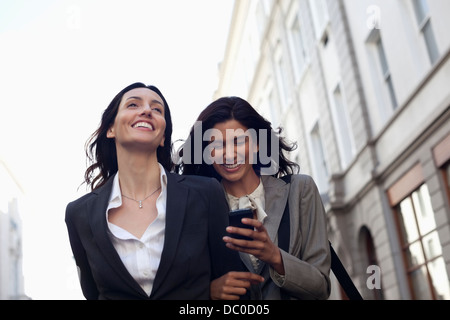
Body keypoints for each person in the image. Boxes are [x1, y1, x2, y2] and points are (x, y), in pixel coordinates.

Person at [65, 83, 262, 300]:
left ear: (162, 138)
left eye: (157, 109)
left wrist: (204, 295)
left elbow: (238, 286)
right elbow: (94, 294)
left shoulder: (204, 194)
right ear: (111, 129)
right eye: (133, 104)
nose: (147, 110)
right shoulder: (79, 214)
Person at [177, 96, 331, 300]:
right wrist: (208, 292)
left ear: (257, 144)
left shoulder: (300, 190)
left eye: (238, 141)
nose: (229, 154)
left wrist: (275, 257)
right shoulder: (196, 209)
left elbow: (320, 287)